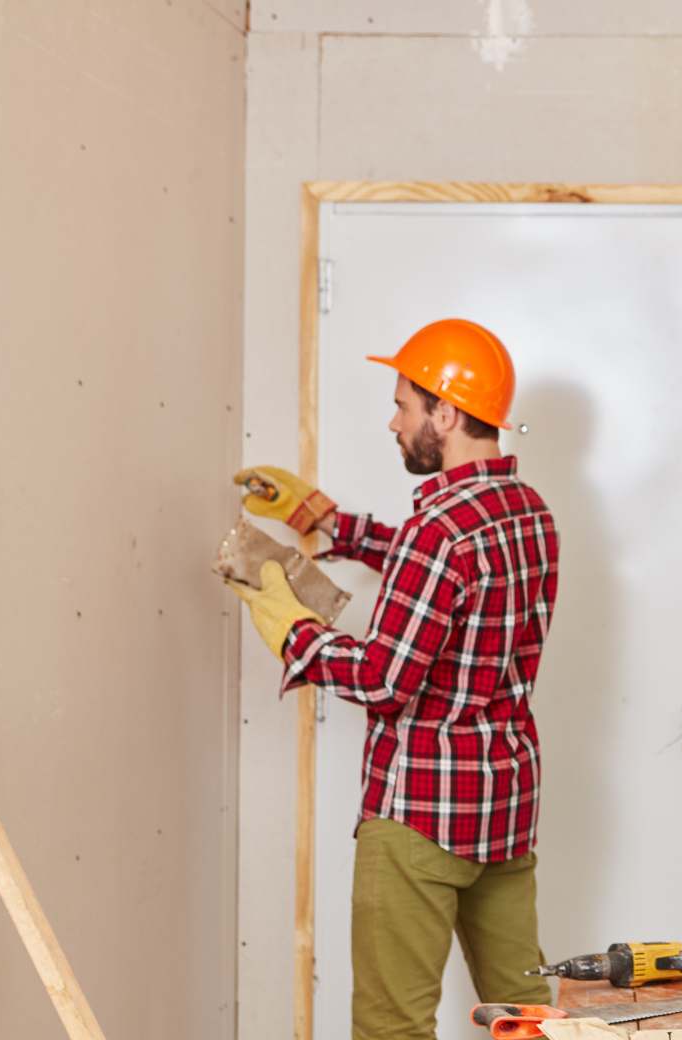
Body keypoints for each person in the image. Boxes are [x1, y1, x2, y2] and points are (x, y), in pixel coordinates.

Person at [228, 318, 560, 1040]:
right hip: (502, 807)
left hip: (419, 815)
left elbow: (384, 679)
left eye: (404, 405)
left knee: (392, 1029)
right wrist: (324, 520)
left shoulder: (438, 529)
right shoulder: (529, 514)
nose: (393, 421)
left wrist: (295, 632)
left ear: (445, 413)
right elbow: (437, 575)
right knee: (529, 1019)